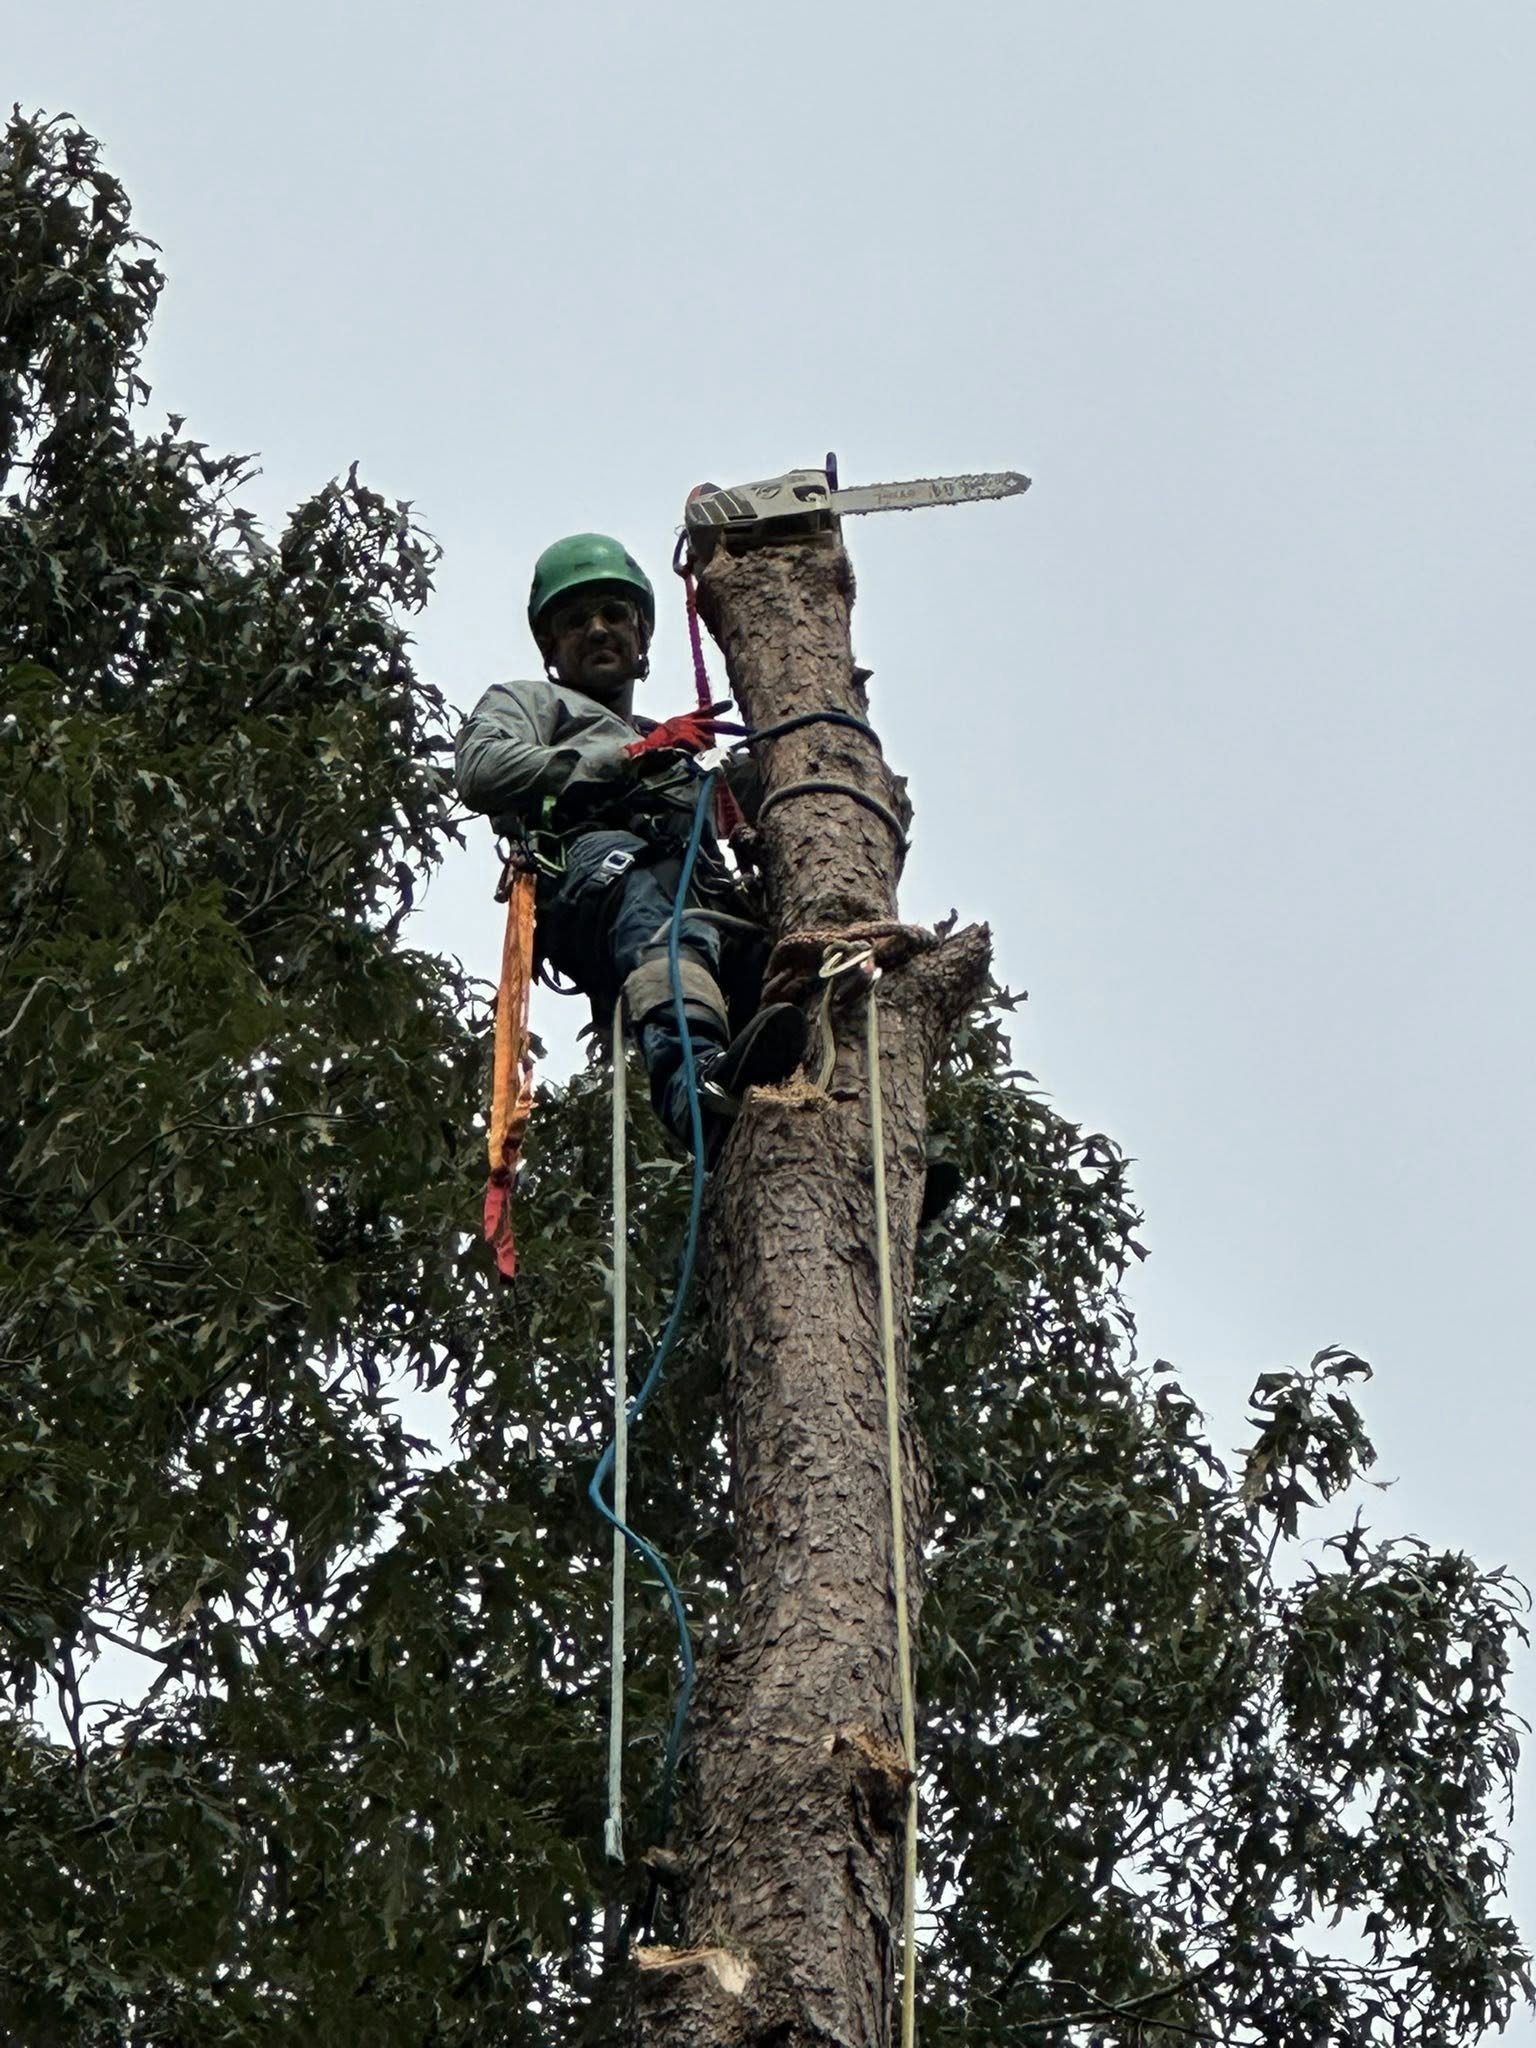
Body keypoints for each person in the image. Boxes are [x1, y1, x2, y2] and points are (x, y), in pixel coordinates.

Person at [455, 533, 806, 1149]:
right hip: (596, 878)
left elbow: (734, 793)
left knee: (792, 966)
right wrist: (624, 759)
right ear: (551, 646)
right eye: (575, 621)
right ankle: (691, 1089)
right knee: (655, 910)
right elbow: (482, 769)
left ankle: (853, 1134)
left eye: (614, 616)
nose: (597, 630)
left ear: (642, 640)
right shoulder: (532, 703)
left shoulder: (671, 748)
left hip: (697, 898)